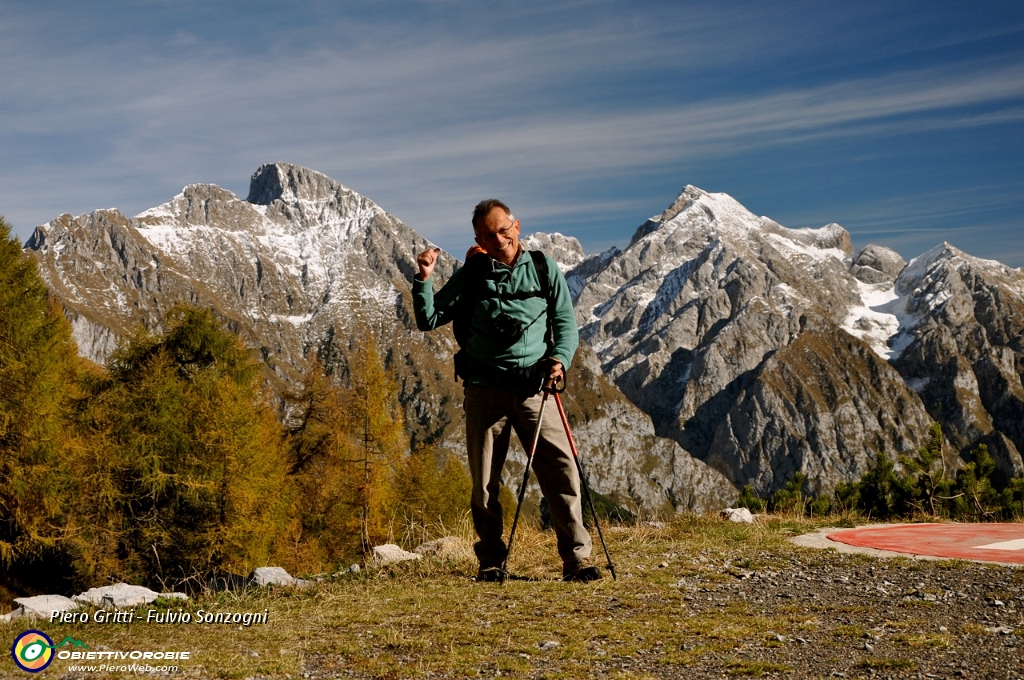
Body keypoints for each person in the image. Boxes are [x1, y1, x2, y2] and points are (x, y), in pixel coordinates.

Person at [412, 199, 601, 582]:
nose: (498, 239)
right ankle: (492, 561)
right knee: (484, 483)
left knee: (562, 471)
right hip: (484, 390)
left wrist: (560, 360)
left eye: (503, 230)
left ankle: (576, 559)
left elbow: (565, 323)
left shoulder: (545, 268)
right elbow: (429, 319)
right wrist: (425, 278)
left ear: (517, 226)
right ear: (478, 239)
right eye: (487, 235)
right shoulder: (472, 273)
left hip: (536, 389)